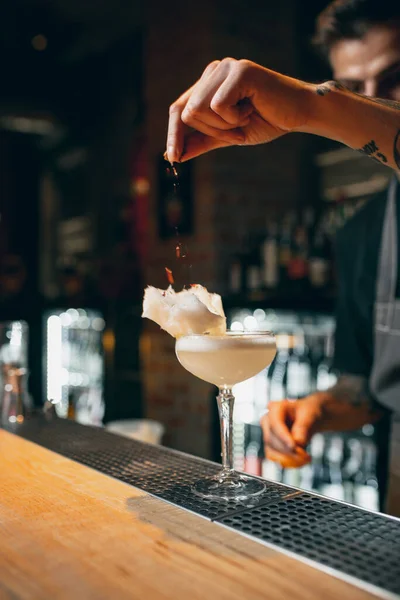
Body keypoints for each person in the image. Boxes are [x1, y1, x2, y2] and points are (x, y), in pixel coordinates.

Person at [165, 1, 400, 516]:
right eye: (351, 90)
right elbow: (371, 389)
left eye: (394, 78)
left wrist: (315, 107)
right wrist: (317, 408)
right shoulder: (363, 232)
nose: (370, 105)